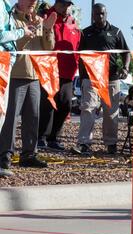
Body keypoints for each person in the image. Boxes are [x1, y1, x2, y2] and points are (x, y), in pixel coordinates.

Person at [0, 0, 56, 178]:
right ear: (20, 2)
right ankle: (4, 156)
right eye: (30, 2)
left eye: (35, 2)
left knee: (33, 117)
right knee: (10, 119)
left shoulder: (39, 20)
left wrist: (47, 29)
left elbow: (49, 47)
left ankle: (29, 154)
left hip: (33, 76)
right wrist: (27, 33)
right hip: (15, 74)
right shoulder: (11, 20)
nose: (33, 4)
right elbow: (15, 45)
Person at [72, 3, 130, 156]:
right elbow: (81, 56)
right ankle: (84, 143)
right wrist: (83, 76)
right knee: (88, 109)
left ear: (106, 14)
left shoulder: (116, 32)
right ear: (92, 15)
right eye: (97, 14)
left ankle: (111, 144)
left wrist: (125, 67)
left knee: (111, 113)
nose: (100, 16)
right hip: (91, 79)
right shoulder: (85, 33)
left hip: (111, 78)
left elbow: (126, 52)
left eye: (102, 13)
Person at [37, 0, 81, 152]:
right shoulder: (46, 17)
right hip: (49, 70)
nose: (66, 7)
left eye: (69, 4)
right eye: (63, 4)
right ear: (56, 3)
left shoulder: (73, 23)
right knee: (47, 105)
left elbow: (77, 44)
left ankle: (53, 137)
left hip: (68, 72)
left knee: (65, 104)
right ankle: (41, 138)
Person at [0, 0, 31, 135]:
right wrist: (21, 32)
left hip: (5, 61)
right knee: (1, 110)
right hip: (2, 61)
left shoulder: (6, 7)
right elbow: (1, 35)